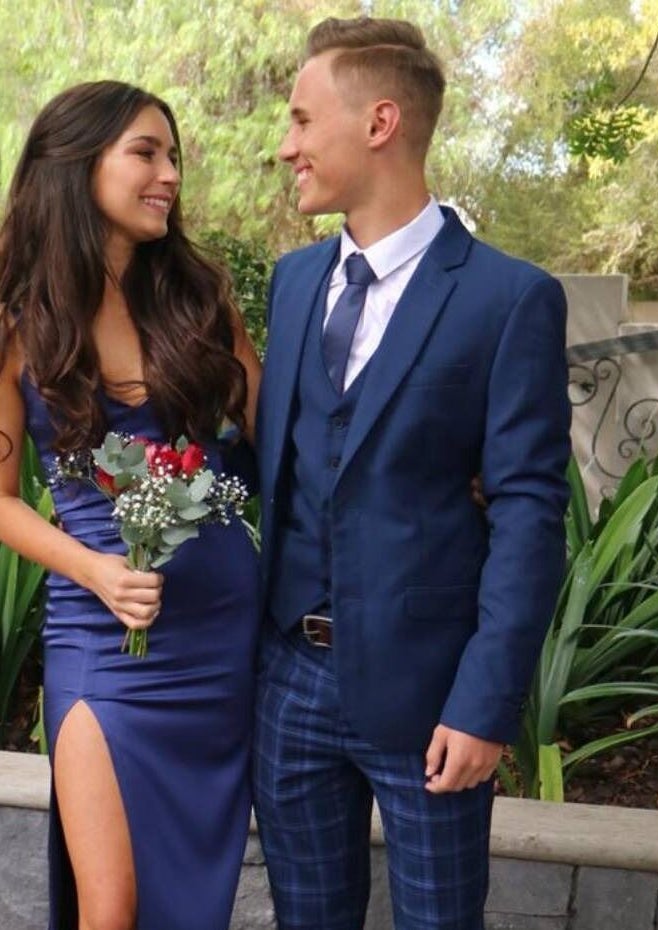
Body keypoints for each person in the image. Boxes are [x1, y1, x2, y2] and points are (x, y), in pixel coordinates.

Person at [252, 16, 571, 930]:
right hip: (289, 682)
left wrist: (485, 703)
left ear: (380, 122)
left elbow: (527, 509)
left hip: (433, 694)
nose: (287, 147)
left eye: (304, 121)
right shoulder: (293, 283)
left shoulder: (509, 299)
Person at [0, 81, 263, 929]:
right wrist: (98, 572)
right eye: (146, 153)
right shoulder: (15, 323)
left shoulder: (198, 298)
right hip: (103, 646)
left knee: (191, 907)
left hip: (219, 646)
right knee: (110, 908)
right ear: (76, 166)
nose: (170, 174)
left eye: (174, 155)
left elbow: (281, 438)